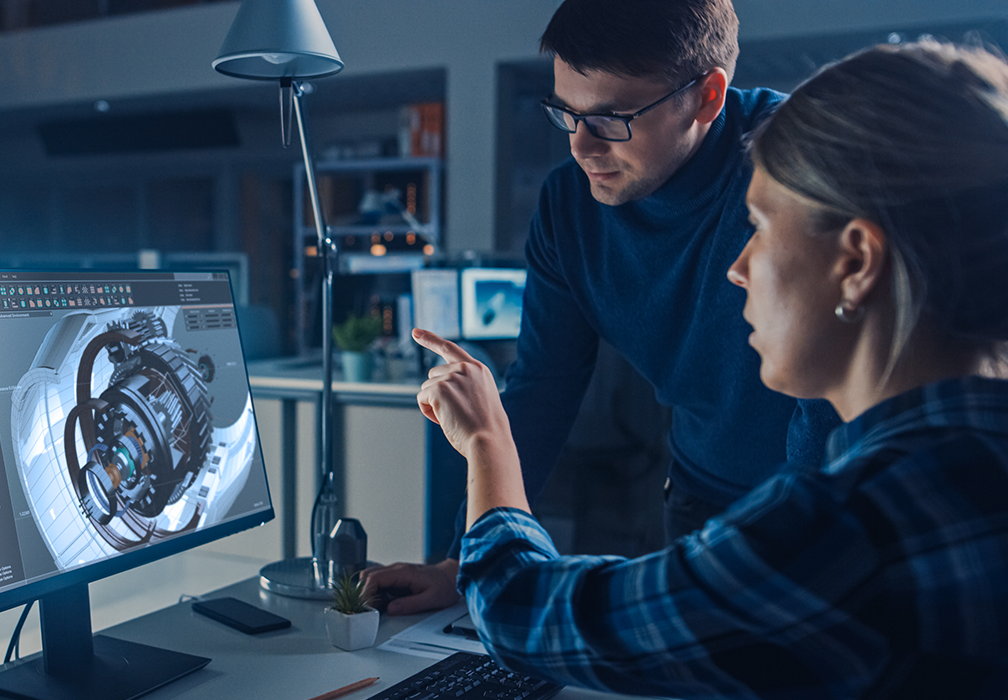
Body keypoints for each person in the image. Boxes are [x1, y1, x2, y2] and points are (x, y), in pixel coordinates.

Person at [417, 41, 1008, 698]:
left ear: (857, 262)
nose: (739, 265)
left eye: (760, 226)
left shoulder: (839, 535)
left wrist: (485, 441)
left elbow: (525, 612)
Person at [365, 0, 840, 615]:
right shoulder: (569, 209)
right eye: (567, 114)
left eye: (613, 119)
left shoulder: (798, 168)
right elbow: (543, 384)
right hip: (700, 495)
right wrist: (461, 560)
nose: (582, 147)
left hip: (822, 498)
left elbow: (829, 393)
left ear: (707, 97)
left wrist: (809, 543)